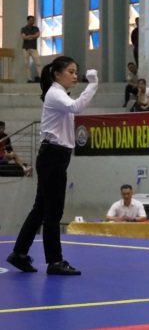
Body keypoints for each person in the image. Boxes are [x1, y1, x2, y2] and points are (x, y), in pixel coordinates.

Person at [6, 56, 98, 276]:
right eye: (71, 72)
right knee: (53, 211)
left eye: (76, 72)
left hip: (55, 156)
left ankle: (19, 253)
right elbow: (77, 107)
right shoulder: (55, 94)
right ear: (57, 74)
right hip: (53, 156)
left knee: (41, 209)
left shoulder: (59, 94)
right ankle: (55, 261)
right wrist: (93, 85)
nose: (75, 76)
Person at [21, 15, 43, 83]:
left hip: (33, 48)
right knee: (26, 63)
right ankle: (29, 79)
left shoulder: (36, 28)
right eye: (31, 20)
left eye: (33, 20)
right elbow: (24, 37)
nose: (32, 21)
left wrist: (30, 36)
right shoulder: (23, 29)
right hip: (25, 48)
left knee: (38, 62)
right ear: (28, 21)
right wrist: (33, 36)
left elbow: (37, 35)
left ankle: (41, 77)